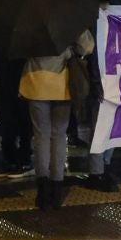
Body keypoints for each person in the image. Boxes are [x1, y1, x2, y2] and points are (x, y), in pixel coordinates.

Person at [19, 28, 90, 209]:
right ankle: (57, 185)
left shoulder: (30, 22)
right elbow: (87, 47)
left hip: (35, 82)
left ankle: (42, 189)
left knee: (41, 135)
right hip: (61, 83)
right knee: (59, 134)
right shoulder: (68, 19)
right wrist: (70, 50)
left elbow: (20, 49)